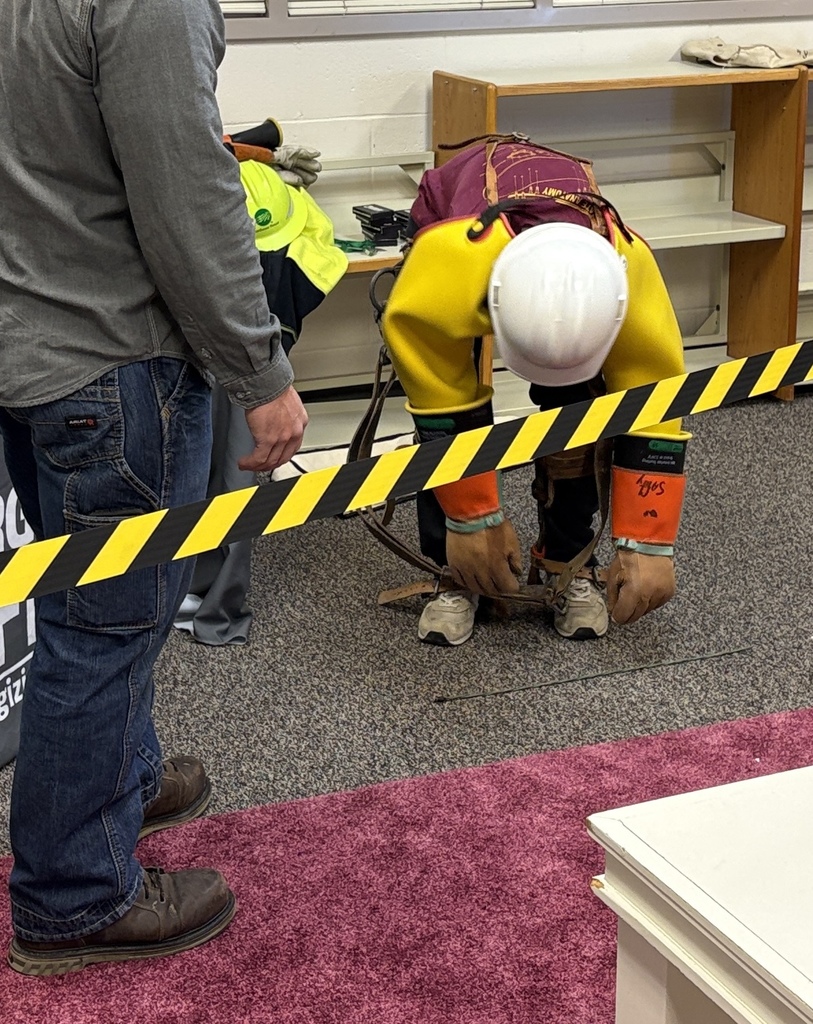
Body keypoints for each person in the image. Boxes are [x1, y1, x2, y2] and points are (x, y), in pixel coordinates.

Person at [0, 0, 308, 975]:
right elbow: (187, 196)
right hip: (107, 360)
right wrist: (262, 374)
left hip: (28, 344)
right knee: (108, 625)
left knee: (84, 605)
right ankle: (74, 893)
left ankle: (115, 778)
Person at [381, 135, 689, 647]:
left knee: (580, 415)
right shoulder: (445, 268)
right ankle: (453, 567)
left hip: (568, 254)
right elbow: (442, 414)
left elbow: (653, 417)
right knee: (453, 420)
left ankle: (568, 562)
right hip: (461, 229)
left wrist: (647, 544)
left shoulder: (631, 273)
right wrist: (471, 517)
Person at [174, 144, 348, 645]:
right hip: (222, 293)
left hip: (231, 302)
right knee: (205, 467)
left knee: (230, 473)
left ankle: (214, 609)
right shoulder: (271, 198)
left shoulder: (249, 192)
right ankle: (198, 595)